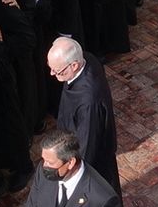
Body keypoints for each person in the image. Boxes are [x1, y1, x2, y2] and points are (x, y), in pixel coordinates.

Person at [46, 37, 120, 193]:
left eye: (58, 71)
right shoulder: (87, 59)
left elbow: (88, 144)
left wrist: (74, 174)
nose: (52, 74)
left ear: (74, 65)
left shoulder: (88, 101)